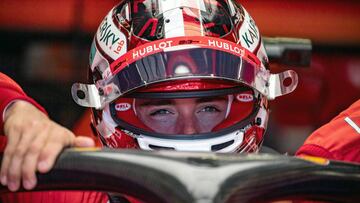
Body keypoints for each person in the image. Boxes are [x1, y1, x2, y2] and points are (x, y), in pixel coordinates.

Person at [0, 0, 298, 202]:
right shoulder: (63, 187)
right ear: (105, 109)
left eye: (209, 108)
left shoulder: (297, 192)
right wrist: (18, 112)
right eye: (162, 111)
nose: (189, 131)